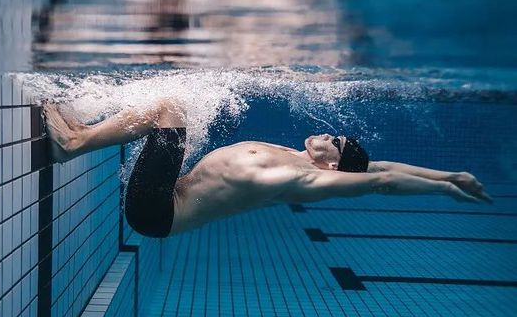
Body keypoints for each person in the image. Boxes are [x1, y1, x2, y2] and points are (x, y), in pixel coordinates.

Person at [42, 99, 492, 238]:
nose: (329, 134)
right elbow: (385, 165)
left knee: (169, 109)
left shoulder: (305, 177)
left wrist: (443, 194)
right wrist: (449, 175)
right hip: (168, 192)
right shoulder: (296, 154)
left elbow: (383, 181)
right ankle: (82, 132)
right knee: (171, 108)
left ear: (332, 164)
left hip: (158, 211)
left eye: (334, 141)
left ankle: (74, 143)